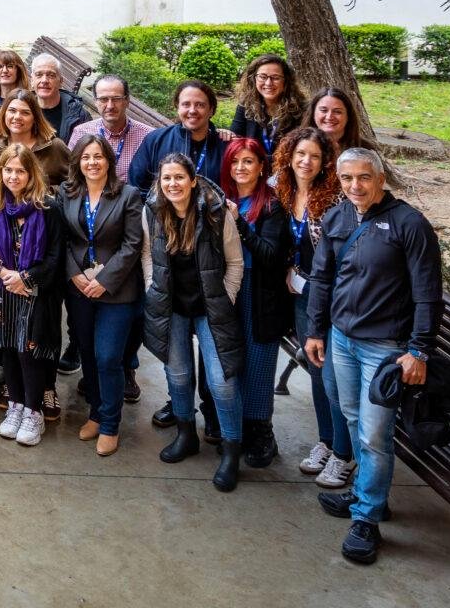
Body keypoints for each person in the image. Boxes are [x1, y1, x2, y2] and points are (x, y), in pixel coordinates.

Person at [304, 148, 441, 564]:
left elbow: (427, 293)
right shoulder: (338, 217)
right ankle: (369, 495)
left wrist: (419, 349)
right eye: (347, 178)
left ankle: (366, 519)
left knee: (373, 435)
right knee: (352, 418)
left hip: (385, 348)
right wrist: (315, 330)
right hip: (341, 339)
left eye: (364, 177)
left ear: (381, 179)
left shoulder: (409, 224)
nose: (355, 186)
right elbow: (322, 277)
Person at [140, 153, 246, 492]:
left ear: (193, 180)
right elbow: (147, 253)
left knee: (222, 381)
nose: (173, 184)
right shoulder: (152, 211)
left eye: (179, 177)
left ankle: (231, 449)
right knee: (178, 374)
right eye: (167, 178)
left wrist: (225, 297)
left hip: (210, 307)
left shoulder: (216, 212)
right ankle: (186, 434)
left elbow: (235, 262)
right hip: (171, 305)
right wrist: (152, 286)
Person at [272, 126, 355, 488]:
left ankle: (344, 454)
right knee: (318, 370)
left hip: (331, 298)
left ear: (325, 163)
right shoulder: (284, 189)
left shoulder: (335, 200)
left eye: (315, 157)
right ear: (289, 156)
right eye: (300, 154)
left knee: (334, 378)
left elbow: (340, 259)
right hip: (301, 294)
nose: (306, 161)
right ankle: (327, 441)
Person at [59, 135, 144, 456]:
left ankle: (110, 424)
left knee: (108, 357)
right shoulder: (67, 193)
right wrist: (75, 275)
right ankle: (96, 413)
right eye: (86, 157)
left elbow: (132, 244)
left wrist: (105, 280)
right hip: (79, 288)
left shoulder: (128, 195)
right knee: (88, 354)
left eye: (98, 156)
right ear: (78, 162)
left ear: (109, 160)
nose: (92, 162)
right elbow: (62, 240)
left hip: (117, 291)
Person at [0, 142, 65, 447]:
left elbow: (55, 257)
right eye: (8, 170)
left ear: (32, 174)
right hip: (4, 290)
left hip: (37, 293)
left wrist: (26, 278)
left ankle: (33, 412)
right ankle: (15, 406)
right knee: (8, 349)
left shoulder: (48, 208)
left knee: (30, 351)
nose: (13, 177)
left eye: (20, 171)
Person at [221, 137, 293, 469]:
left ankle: (261, 431)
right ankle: (233, 429)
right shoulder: (223, 199)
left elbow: (270, 256)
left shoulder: (271, 205)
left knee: (259, 363)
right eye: (235, 161)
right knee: (231, 361)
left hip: (260, 292)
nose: (241, 168)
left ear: (262, 167)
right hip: (229, 288)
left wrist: (238, 222)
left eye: (248, 161)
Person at [129, 80, 228, 191]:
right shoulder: (155, 140)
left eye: (200, 105)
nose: (192, 110)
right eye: (186, 104)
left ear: (211, 110)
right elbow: (136, 188)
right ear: (178, 107)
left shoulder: (225, 146)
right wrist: (157, 202)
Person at [68, 74, 152, 184]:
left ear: (127, 101)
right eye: (103, 99)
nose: (110, 106)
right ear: (95, 101)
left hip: (133, 194)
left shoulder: (148, 136)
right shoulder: (81, 133)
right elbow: (72, 175)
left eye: (116, 99)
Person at [0, 89, 71, 189]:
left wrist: (48, 194)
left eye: (25, 113)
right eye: (12, 111)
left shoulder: (54, 147)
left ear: (35, 118)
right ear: (4, 114)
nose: (17, 117)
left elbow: (75, 183)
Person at [231, 54, 306, 160]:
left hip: (286, 167)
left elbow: (300, 148)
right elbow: (236, 140)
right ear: (254, 79)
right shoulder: (245, 105)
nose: (268, 83)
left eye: (275, 78)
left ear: (286, 82)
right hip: (254, 167)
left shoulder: (300, 109)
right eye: (263, 77)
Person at [30, 54, 85, 143]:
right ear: (32, 80)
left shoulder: (78, 114)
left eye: (51, 75)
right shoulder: (22, 109)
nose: (44, 80)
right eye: (39, 75)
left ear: (61, 81)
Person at [303, 87, 371, 154]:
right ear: (313, 113)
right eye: (324, 110)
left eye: (337, 112)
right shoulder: (300, 144)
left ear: (348, 116)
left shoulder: (364, 150)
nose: (329, 117)